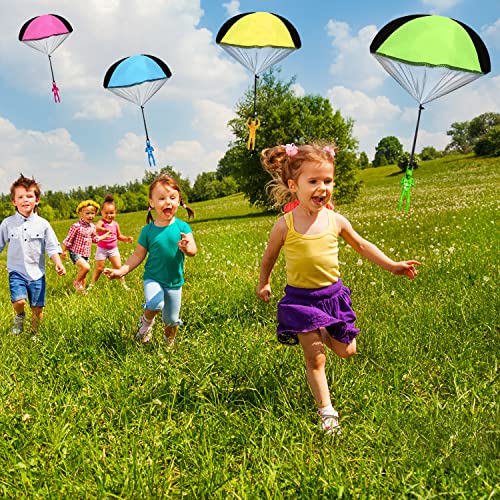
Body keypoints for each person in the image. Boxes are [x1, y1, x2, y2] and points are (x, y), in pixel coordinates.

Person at [256, 143, 420, 434]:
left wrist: (392, 265)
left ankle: (322, 329)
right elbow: (269, 257)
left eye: (328, 181)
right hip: (301, 300)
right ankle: (326, 411)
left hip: (333, 297)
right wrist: (264, 282)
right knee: (315, 358)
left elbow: (361, 245)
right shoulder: (285, 225)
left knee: (347, 351)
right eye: (314, 181)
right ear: (294, 185)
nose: (323, 187)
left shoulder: (336, 220)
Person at [104, 174, 197, 347]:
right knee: (155, 302)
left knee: (171, 320)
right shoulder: (148, 231)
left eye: (172, 197)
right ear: (152, 203)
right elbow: (138, 255)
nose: (167, 202)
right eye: (161, 198)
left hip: (175, 282)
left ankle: (168, 343)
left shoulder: (183, 227)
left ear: (179, 201)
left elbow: (193, 250)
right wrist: (122, 270)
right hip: (153, 277)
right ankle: (146, 322)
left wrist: (187, 248)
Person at [0, 174, 66, 337]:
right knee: (19, 301)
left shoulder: (43, 224)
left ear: (37, 200)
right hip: (16, 272)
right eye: (20, 196)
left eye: (29, 196)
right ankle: (20, 315)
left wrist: (58, 263)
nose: (25, 200)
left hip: (37, 274)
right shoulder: (8, 223)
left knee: (37, 308)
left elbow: (52, 246)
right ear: (14, 202)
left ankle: (34, 334)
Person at [61, 200, 109, 294]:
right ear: (80, 213)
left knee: (84, 274)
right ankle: (76, 282)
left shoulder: (92, 227)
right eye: (87, 213)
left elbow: (94, 239)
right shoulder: (76, 226)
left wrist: (104, 236)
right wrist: (64, 251)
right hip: (75, 252)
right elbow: (69, 239)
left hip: (86, 253)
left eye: (93, 213)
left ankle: (81, 291)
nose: (90, 216)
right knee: (86, 268)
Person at [89, 194, 133, 290]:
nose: (109, 215)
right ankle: (91, 285)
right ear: (102, 213)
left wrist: (127, 239)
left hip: (113, 249)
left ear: (115, 212)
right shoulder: (101, 222)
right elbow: (96, 228)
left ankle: (124, 285)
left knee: (118, 267)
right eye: (106, 213)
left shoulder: (115, 224)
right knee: (99, 268)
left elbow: (119, 236)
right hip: (102, 249)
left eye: (112, 213)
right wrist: (103, 229)